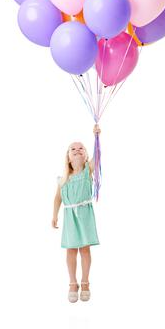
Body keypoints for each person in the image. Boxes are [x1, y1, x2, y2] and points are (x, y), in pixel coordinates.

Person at [52, 124, 101, 303]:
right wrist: (54, 215)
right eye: (73, 149)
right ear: (68, 157)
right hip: (70, 218)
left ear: (85, 155)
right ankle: (73, 282)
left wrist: (96, 138)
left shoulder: (88, 171)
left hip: (85, 215)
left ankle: (85, 281)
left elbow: (98, 157)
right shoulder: (63, 179)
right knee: (71, 250)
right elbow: (57, 198)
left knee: (85, 249)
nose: (77, 150)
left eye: (81, 148)